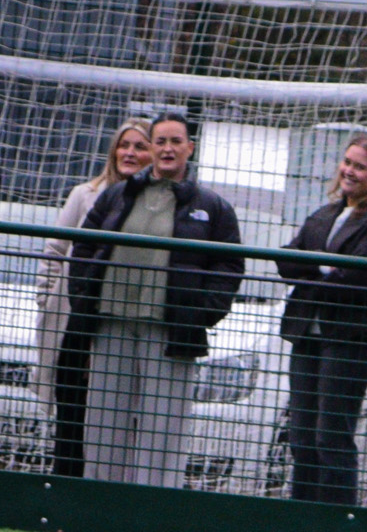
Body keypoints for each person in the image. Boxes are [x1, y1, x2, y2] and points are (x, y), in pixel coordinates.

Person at [66, 110, 243, 487]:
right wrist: (83, 295)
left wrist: (201, 314)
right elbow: (83, 246)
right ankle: (99, 500)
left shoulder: (213, 207)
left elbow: (229, 266)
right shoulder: (117, 193)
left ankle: (155, 505)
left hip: (170, 333)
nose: (167, 148)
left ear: (189, 148)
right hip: (110, 324)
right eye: (159, 141)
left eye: (175, 141)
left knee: (163, 429)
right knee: (102, 423)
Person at [276, 132, 367, 505]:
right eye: (347, 162)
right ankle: (302, 520)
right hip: (307, 336)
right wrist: (323, 268)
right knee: (301, 435)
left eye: (360, 166)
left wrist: (314, 269)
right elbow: (287, 259)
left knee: (331, 434)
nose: (349, 171)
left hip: (350, 339)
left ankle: (337, 525)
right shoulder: (324, 213)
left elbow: (352, 282)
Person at [37, 119, 151, 477]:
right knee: (71, 403)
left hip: (118, 318)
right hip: (73, 317)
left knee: (111, 411)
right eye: (124, 145)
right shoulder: (84, 193)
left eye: (139, 146)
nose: (129, 153)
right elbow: (56, 247)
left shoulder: (154, 203)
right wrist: (48, 296)